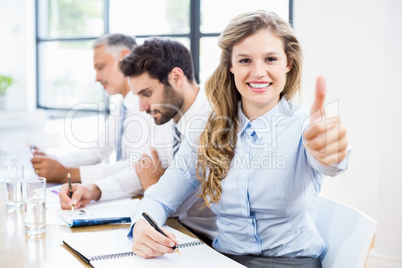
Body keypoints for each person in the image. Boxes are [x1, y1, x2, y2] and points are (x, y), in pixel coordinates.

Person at [128, 10, 350, 268]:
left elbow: (331, 162)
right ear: (230, 65)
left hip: (293, 263)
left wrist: (329, 151)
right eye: (245, 60)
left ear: (287, 63)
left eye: (270, 59)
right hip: (223, 260)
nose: (258, 72)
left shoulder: (308, 127)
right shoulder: (206, 130)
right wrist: (143, 225)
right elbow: (159, 199)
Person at [59, 38, 218, 242]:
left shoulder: (211, 120)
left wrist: (151, 185)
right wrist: (94, 190)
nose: (142, 106)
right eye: (138, 96)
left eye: (147, 94)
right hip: (177, 230)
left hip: (204, 239)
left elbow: (172, 202)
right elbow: (144, 169)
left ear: (177, 77)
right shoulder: (168, 116)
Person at [30, 34, 165, 185]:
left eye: (100, 67)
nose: (97, 78)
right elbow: (99, 150)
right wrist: (51, 159)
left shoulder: (148, 107)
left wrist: (69, 174)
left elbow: (140, 166)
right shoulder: (123, 105)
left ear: (124, 58)